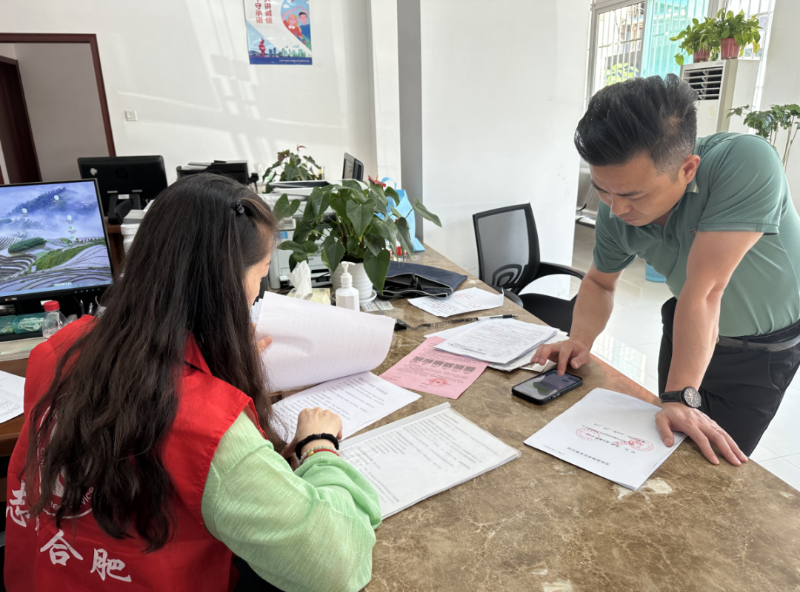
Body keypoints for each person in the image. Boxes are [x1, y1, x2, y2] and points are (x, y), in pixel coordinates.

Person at [5, 174, 381, 591]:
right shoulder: (210, 432)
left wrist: (216, 360)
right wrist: (320, 447)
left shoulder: (58, 350)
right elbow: (336, 565)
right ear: (224, 287)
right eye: (259, 275)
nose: (257, 294)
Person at [533, 74, 800, 465]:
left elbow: (706, 290)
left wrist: (680, 396)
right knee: (665, 445)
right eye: (603, 190)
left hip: (758, 350)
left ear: (688, 169)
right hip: (684, 325)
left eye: (633, 194)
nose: (615, 209)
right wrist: (579, 339)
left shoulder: (743, 162)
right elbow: (599, 283)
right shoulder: (615, 208)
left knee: (711, 465)